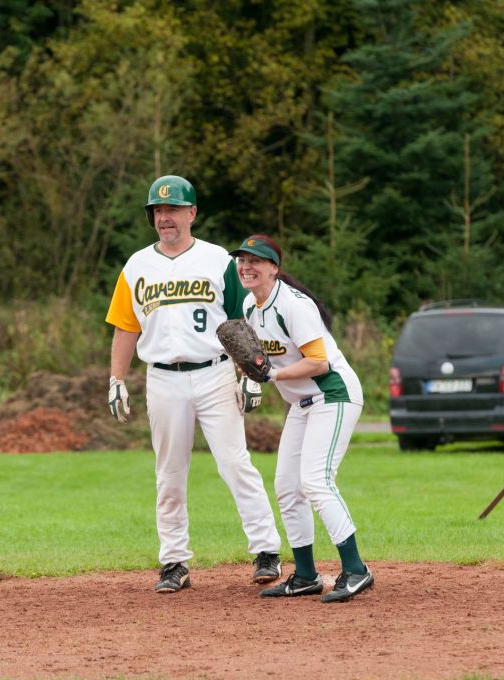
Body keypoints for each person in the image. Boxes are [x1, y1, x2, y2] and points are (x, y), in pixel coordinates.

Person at [105, 175, 282, 594]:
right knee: (169, 473)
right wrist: (116, 379)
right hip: (162, 379)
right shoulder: (136, 266)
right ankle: (174, 561)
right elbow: (125, 327)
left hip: (214, 373)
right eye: (158, 210)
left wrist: (251, 373)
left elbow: (242, 318)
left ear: (192, 213)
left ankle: (266, 551)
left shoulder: (217, 259)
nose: (165, 217)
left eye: (173, 209)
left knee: (235, 463)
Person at [228, 233, 374, 603]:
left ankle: (356, 569)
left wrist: (271, 376)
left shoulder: (293, 306)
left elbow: (318, 363)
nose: (246, 266)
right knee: (287, 486)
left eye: (255, 261)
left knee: (316, 481)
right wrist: (250, 376)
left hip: (333, 394)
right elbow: (259, 360)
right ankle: (306, 575)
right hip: (302, 404)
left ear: (274, 268)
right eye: (242, 260)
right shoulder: (249, 306)